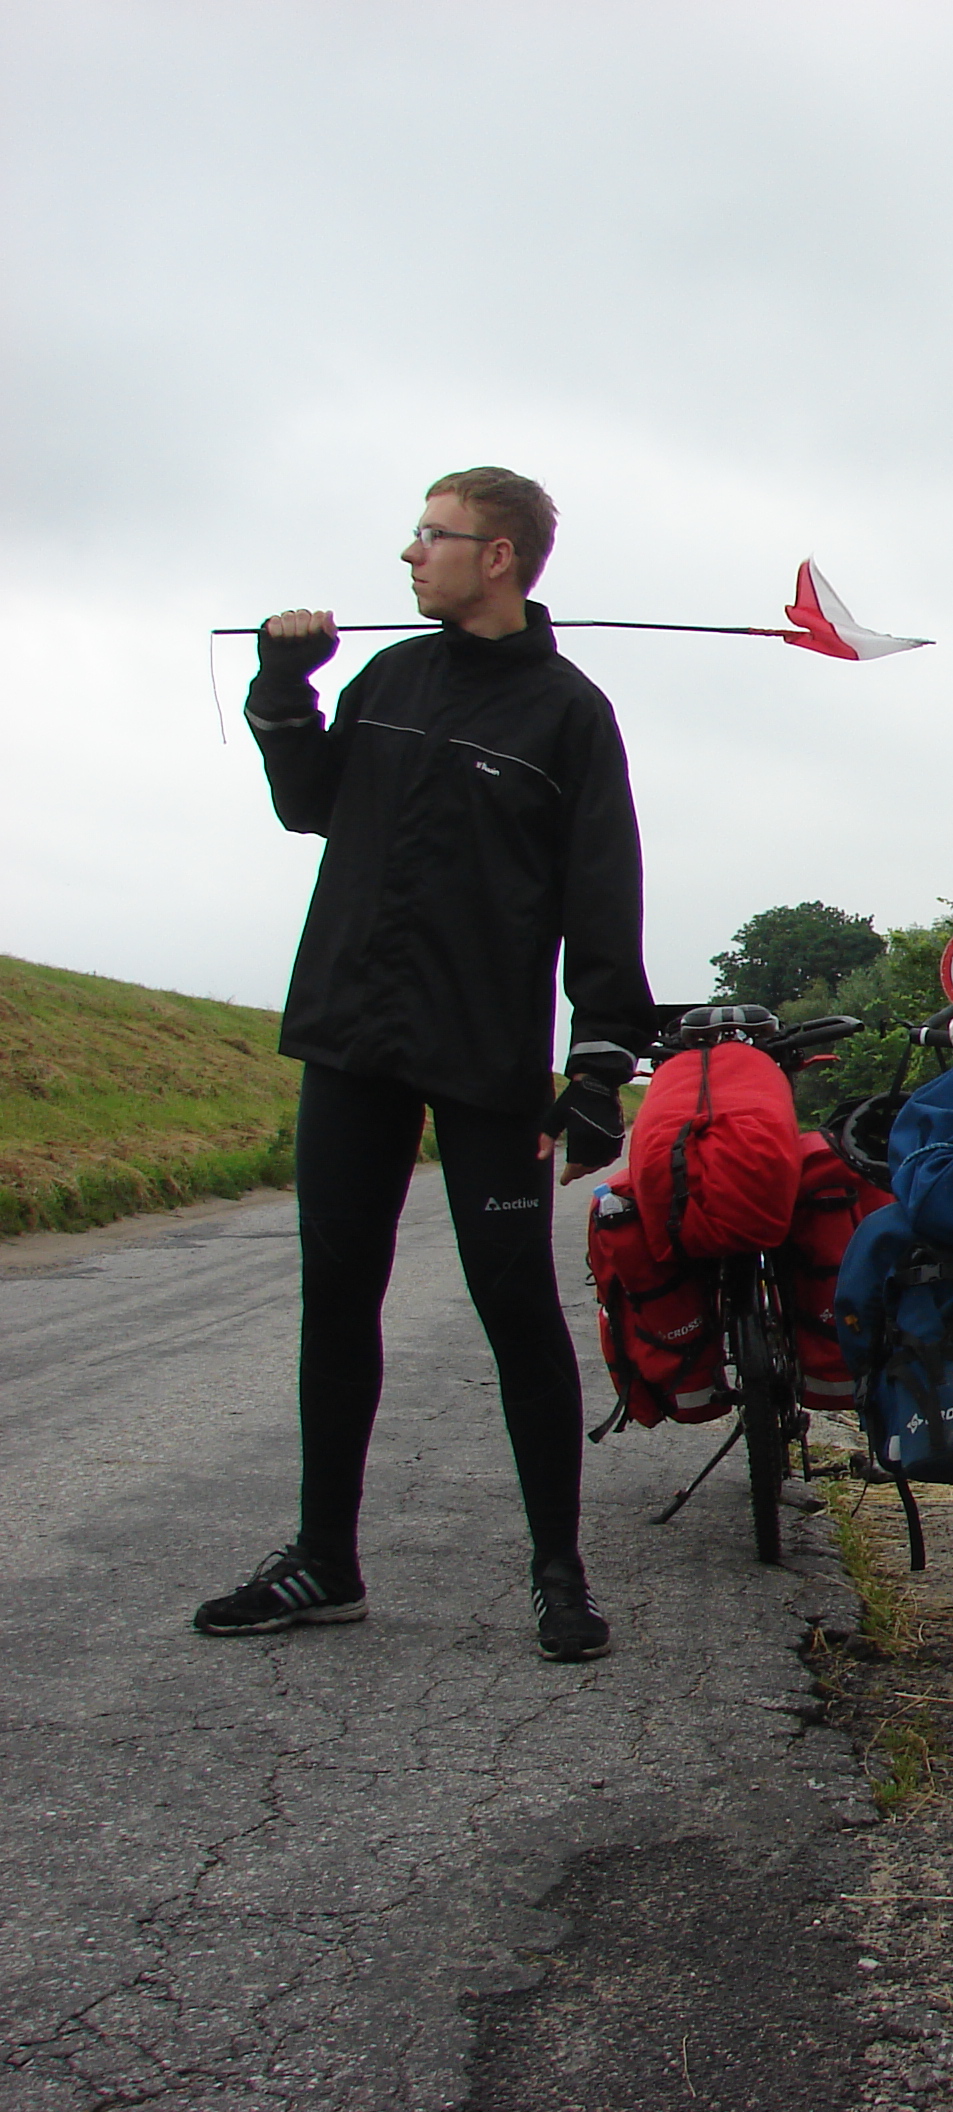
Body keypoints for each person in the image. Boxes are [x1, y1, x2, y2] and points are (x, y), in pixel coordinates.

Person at [195, 467, 653, 1662]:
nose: (410, 554)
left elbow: (602, 898)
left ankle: (559, 1575)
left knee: (514, 1306)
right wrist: (283, 690)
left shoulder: (569, 714)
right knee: (337, 1293)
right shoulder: (389, 678)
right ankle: (324, 1562)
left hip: (483, 1054)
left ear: (497, 556)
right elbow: (309, 806)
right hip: (350, 1033)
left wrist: (597, 1070)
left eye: (432, 535)